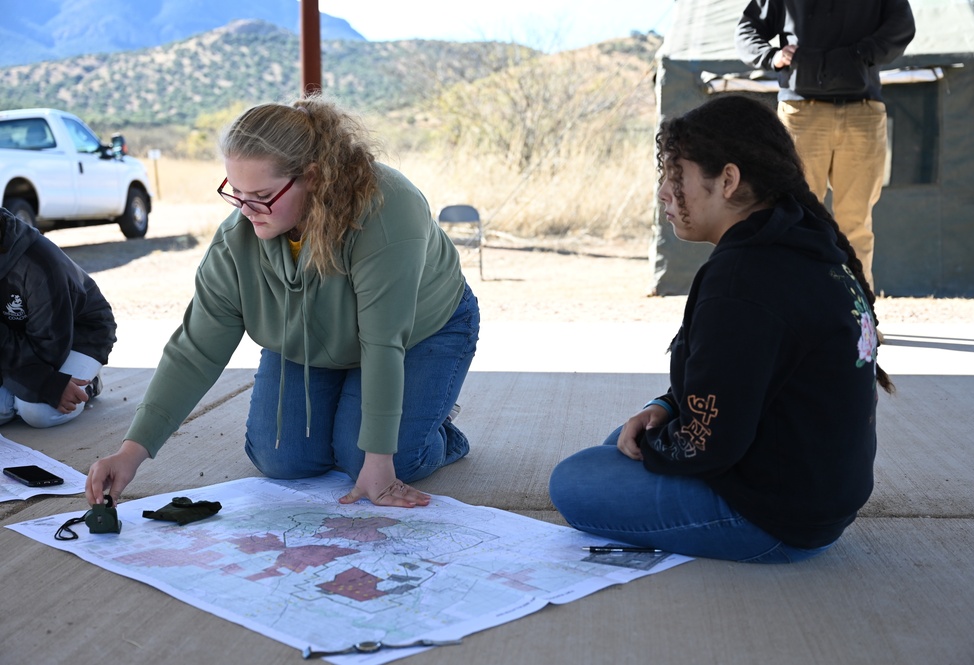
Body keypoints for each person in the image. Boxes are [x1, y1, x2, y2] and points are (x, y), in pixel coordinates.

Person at [86, 95, 479, 509]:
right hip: (315, 339)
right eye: (235, 192)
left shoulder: (387, 209)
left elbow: (384, 342)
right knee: (281, 459)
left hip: (419, 333)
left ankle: (435, 426)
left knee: (373, 458)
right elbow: (195, 350)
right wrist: (132, 452)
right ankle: (360, 409)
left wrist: (381, 459)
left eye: (261, 194)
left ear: (312, 176)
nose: (245, 210)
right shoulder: (236, 239)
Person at [549, 95, 894, 564]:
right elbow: (744, 376)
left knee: (575, 480)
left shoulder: (744, 278)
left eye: (677, 176)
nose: (664, 193)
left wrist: (660, 442)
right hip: (819, 497)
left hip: (777, 521)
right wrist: (665, 407)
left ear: (727, 180)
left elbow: (708, 444)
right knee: (622, 441)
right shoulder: (799, 241)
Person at [735, 0, 916, 290]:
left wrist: (860, 54)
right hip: (801, 111)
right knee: (794, 218)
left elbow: (902, 26)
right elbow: (747, 29)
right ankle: (797, 313)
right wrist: (771, 55)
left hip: (863, 110)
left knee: (855, 222)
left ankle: (859, 319)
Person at [0, 207, 115, 428]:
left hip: (77, 337)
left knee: (39, 412)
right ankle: (17, 399)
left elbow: (49, 352)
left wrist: (46, 385)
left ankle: (87, 384)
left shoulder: (38, 265)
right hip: (19, 346)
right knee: (27, 396)